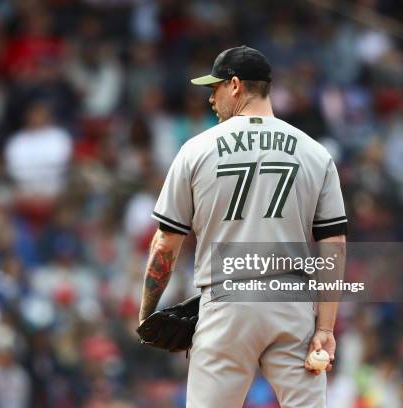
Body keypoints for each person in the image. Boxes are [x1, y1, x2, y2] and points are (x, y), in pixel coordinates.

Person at [138, 46, 347, 407]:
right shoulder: (314, 152)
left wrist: (147, 313)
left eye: (214, 88)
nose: (210, 99)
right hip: (291, 304)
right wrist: (325, 328)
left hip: (227, 304)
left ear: (234, 85)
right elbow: (335, 245)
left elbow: (164, 245)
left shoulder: (196, 149)